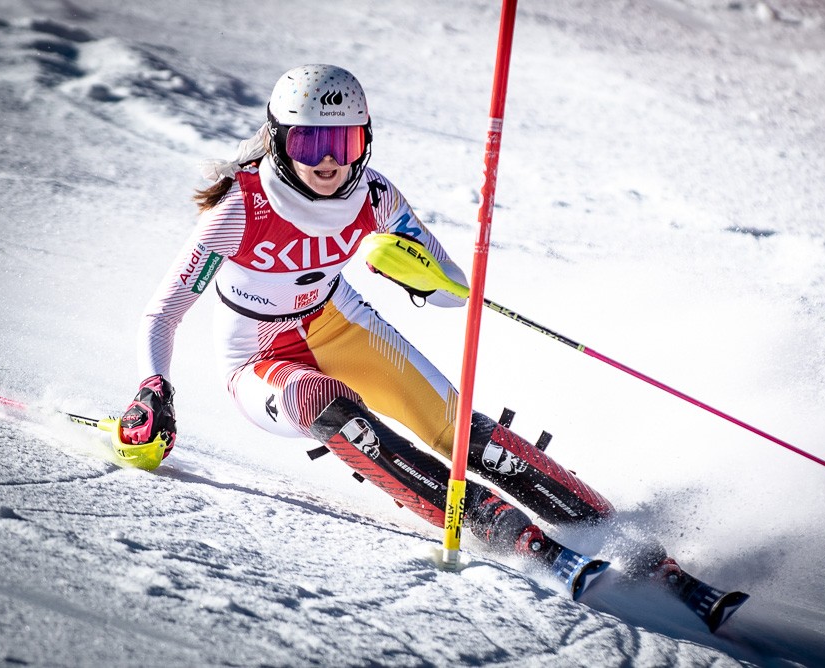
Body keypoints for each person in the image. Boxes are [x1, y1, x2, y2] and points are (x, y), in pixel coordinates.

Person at [118, 64, 745, 626]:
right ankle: (508, 532)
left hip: (338, 322)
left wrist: (412, 269)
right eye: (310, 142)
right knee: (323, 403)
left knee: (461, 429)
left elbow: (452, 292)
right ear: (279, 141)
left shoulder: (375, 197)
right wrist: (153, 388)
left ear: (365, 141)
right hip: (260, 359)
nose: (329, 161)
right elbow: (163, 311)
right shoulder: (240, 210)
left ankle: (643, 553)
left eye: (345, 142)